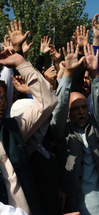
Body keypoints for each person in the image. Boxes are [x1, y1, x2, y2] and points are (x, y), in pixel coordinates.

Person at [49, 43, 99, 214]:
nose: (81, 111)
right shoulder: (62, 131)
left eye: (83, 106)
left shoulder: (94, 125)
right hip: (79, 203)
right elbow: (58, 109)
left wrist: (95, 75)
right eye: (75, 109)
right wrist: (67, 74)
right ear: (68, 113)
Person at [0, 45, 58, 215]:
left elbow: (47, 103)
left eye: (3, 97)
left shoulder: (13, 129)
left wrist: (21, 63)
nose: (1, 103)